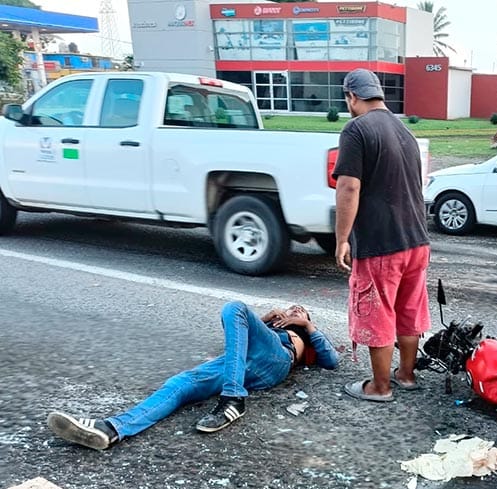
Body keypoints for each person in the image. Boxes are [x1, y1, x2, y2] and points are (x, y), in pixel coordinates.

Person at [47, 302, 339, 450]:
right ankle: (112, 429)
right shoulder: (271, 325)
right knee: (181, 384)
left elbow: (332, 361)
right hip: (240, 368)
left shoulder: (302, 333)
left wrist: (305, 325)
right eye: (292, 308)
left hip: (276, 359)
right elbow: (235, 341)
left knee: (235, 307)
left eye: (302, 310)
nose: (294, 309)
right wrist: (264, 320)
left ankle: (233, 399)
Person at [332, 68, 431, 403]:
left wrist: (342, 238)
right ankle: (406, 375)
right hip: (416, 240)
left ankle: (380, 387)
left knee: (378, 312)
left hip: (382, 243)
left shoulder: (357, 129)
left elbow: (349, 187)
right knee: (408, 309)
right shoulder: (405, 132)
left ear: (351, 96)